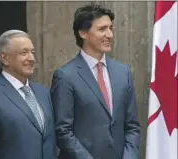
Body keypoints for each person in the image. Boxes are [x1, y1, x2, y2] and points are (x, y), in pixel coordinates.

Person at [50, 4, 140, 159]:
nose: (109, 34)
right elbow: (63, 131)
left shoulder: (123, 72)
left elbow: (132, 126)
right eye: (102, 29)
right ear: (83, 33)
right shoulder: (65, 76)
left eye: (111, 28)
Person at [0, 30, 56, 159]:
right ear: (4, 58)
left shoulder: (43, 92)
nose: (31, 58)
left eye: (32, 52)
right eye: (24, 53)